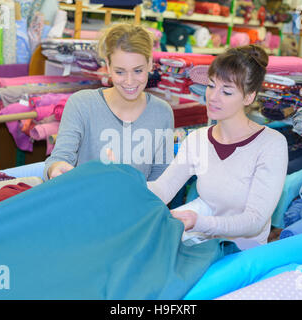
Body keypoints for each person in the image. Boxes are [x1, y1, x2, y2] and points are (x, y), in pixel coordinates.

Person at [147, 45, 288, 250]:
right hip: (204, 240)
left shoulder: (270, 144)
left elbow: (254, 221)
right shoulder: (198, 139)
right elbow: (164, 188)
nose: (213, 97)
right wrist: (126, 184)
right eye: (211, 85)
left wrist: (199, 222)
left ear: (249, 97)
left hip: (240, 252)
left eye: (227, 91)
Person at [44, 23, 174, 181]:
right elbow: (59, 158)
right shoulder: (81, 104)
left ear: (150, 63)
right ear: (108, 65)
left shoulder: (162, 113)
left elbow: (161, 178)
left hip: (137, 204)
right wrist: (55, 168)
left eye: (138, 70)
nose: (129, 81)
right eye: (120, 72)